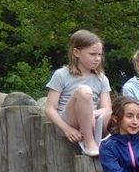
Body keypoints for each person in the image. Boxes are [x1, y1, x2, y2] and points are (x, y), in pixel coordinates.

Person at [45, 29, 112, 157]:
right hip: (69, 120)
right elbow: (49, 109)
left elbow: (106, 108)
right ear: (76, 52)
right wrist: (66, 129)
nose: (97, 59)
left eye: (99, 55)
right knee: (84, 91)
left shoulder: (102, 78)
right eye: (92, 54)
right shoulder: (61, 75)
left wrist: (92, 114)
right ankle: (89, 143)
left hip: (92, 120)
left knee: (122, 113)